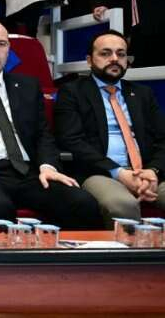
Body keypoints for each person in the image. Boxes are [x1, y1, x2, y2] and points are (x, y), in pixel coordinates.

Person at [0, 20, 101, 230]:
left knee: (82, 202)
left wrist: (48, 165)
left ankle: (66, 253)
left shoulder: (28, 85)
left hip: (30, 172)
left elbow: (43, 133)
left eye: (1, 44)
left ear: (9, 49)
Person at [55, 31, 165, 226]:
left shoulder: (142, 93)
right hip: (101, 172)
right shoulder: (72, 92)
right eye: (105, 53)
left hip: (147, 173)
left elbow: (162, 138)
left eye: (121, 54)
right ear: (89, 60)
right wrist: (119, 172)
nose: (114, 59)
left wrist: (153, 171)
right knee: (122, 205)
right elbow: (72, 140)